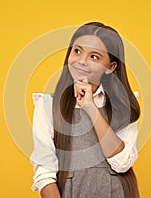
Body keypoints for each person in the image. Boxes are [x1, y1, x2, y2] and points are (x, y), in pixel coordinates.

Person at [30, 22, 141, 198]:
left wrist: (90, 107)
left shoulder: (123, 105)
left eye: (94, 57)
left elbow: (122, 163)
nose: (81, 61)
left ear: (110, 67)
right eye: (77, 51)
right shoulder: (47, 106)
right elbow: (45, 174)